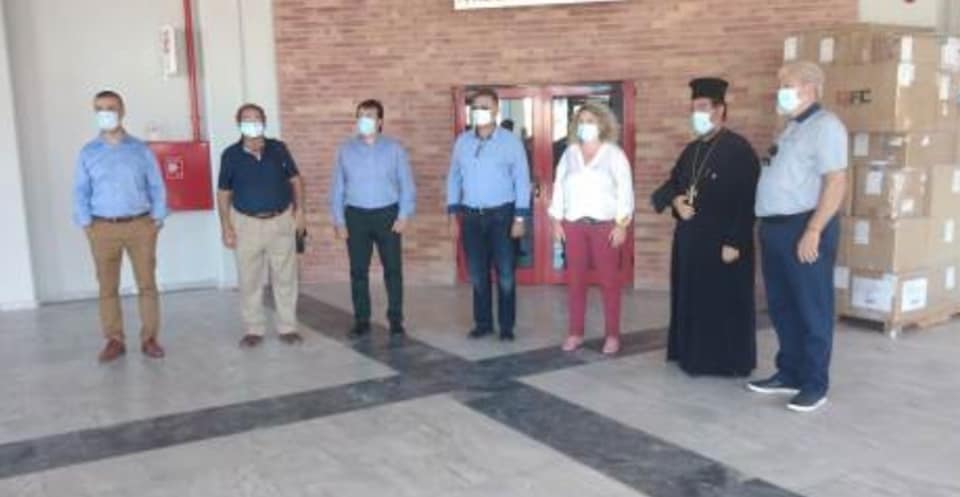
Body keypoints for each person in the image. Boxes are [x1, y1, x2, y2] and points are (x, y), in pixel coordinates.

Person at [747, 62, 848, 413]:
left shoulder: (826, 126)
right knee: (782, 305)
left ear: (810, 87)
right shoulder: (791, 127)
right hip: (774, 227)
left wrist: (814, 230)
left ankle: (815, 384)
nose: (781, 91)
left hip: (803, 226)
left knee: (811, 307)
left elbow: (836, 181)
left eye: (787, 84)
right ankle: (789, 372)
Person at [653, 78, 760, 377]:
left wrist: (735, 242)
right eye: (693, 109)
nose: (696, 114)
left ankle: (722, 362)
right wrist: (676, 201)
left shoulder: (739, 150)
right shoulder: (691, 150)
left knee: (720, 301)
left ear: (719, 109)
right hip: (690, 243)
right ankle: (690, 354)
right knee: (692, 298)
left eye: (701, 107)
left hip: (722, 243)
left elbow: (748, 200)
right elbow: (671, 185)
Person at [73, 90, 167, 362]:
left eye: (111, 107)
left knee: (147, 284)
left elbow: (156, 185)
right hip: (102, 227)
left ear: (122, 111)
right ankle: (114, 340)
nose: (105, 113)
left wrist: (157, 218)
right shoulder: (88, 152)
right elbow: (80, 190)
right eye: (99, 108)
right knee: (107, 287)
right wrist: (86, 223)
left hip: (140, 225)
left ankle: (150, 338)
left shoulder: (140, 150)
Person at [217, 103, 307, 348]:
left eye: (257, 118)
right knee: (249, 280)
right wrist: (226, 226)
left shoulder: (279, 149)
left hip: (281, 220)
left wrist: (300, 211)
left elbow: (296, 180)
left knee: (286, 277)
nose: (252, 122)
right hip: (246, 223)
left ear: (264, 122)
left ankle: (288, 327)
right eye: (247, 119)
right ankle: (253, 329)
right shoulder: (230, 155)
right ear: (239, 124)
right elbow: (223, 193)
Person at [446, 88, 531, 341]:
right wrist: (453, 215)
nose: (479, 111)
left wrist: (520, 218)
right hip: (471, 217)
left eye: (485, 106)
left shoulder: (510, 142)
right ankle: (483, 323)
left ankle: (506, 327)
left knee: (505, 274)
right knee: (477, 274)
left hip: (502, 216)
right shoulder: (463, 142)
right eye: (475, 107)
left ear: (496, 110)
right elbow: (453, 178)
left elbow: (522, 180)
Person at [549, 102, 633, 355]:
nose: (585, 125)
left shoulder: (614, 154)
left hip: (605, 227)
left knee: (609, 282)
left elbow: (625, 190)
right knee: (575, 282)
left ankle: (612, 335)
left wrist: (622, 224)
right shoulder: (570, 154)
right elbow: (559, 187)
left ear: (602, 124)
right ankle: (575, 333)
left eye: (591, 121)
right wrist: (556, 220)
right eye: (581, 121)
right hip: (574, 226)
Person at [330, 99, 416, 338]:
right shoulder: (346, 150)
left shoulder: (394, 149)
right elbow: (337, 187)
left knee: (393, 270)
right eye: (361, 116)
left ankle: (396, 319)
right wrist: (339, 220)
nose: (364, 120)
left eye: (370, 116)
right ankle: (362, 320)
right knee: (358, 271)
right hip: (355, 216)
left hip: (388, 215)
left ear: (380, 121)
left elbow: (406, 184)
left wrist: (404, 215)